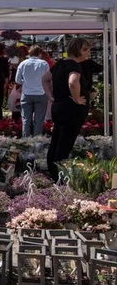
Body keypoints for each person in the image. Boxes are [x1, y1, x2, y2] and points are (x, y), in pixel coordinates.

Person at [47, 38, 92, 180]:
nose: (88, 53)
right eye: (86, 49)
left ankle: (53, 170)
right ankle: (59, 176)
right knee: (65, 143)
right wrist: (77, 98)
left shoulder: (59, 64)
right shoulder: (75, 66)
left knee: (56, 140)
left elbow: (45, 79)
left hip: (59, 106)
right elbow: (73, 82)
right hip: (71, 110)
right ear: (80, 50)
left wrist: (50, 96)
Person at [16, 45, 52, 138]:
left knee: (26, 119)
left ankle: (26, 139)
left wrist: (25, 82)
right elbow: (48, 79)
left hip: (26, 93)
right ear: (39, 53)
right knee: (39, 119)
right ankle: (37, 139)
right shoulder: (44, 64)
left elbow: (18, 80)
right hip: (41, 93)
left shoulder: (23, 64)